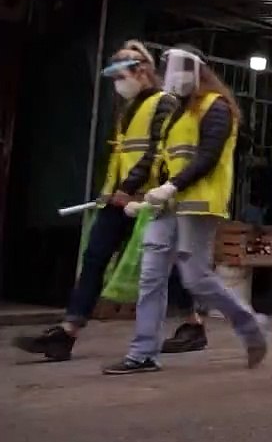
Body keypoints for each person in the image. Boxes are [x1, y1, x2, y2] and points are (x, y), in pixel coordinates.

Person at [13, 42, 210, 361]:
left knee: (163, 267)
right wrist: (113, 191)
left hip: (148, 199)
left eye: (122, 75)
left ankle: (193, 323)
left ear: (142, 71)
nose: (118, 83)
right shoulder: (128, 109)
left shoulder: (165, 103)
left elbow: (155, 151)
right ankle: (67, 332)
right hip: (117, 199)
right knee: (94, 260)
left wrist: (131, 186)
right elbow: (122, 154)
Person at [103, 45, 269, 374]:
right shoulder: (174, 112)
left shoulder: (216, 107)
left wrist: (171, 186)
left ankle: (250, 325)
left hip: (198, 204)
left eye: (180, 68)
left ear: (198, 71)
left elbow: (207, 156)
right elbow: (159, 158)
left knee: (196, 278)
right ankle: (143, 352)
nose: (174, 77)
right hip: (167, 204)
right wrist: (144, 194)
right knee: (151, 276)